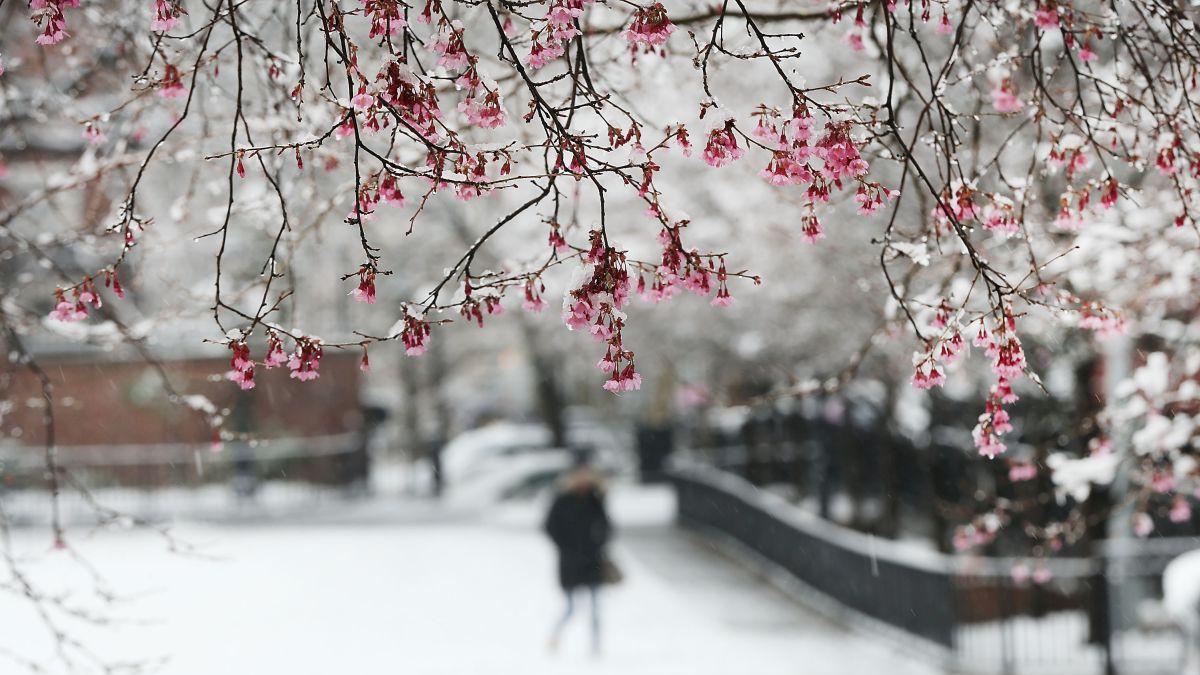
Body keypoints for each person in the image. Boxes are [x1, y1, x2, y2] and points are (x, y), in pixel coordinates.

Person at [543, 458, 612, 655]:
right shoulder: (563, 500)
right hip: (570, 561)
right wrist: (566, 546)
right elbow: (550, 526)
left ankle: (596, 646)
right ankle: (555, 637)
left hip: (592, 560)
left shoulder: (595, 499)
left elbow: (607, 526)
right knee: (571, 607)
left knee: (595, 607)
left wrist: (598, 543)